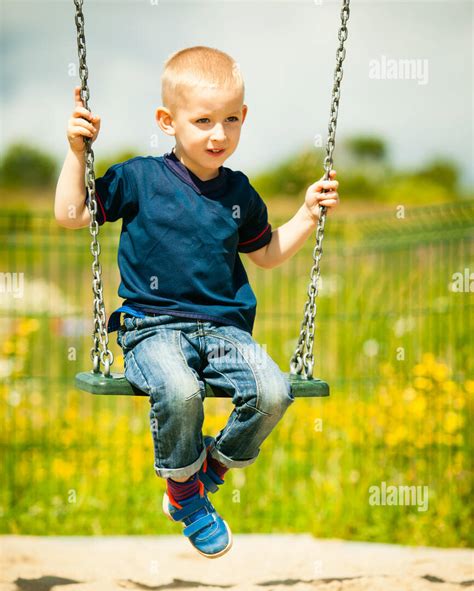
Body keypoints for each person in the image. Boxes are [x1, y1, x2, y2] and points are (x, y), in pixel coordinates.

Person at [54, 46, 339, 560]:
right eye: (203, 120)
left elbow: (268, 253)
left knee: (274, 391)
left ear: (243, 118)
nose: (218, 134)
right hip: (151, 327)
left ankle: (205, 473)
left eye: (231, 119)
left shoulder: (240, 193)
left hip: (225, 333)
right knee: (180, 390)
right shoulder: (137, 179)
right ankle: (186, 494)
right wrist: (77, 151)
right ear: (167, 120)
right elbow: (73, 213)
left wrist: (307, 214)